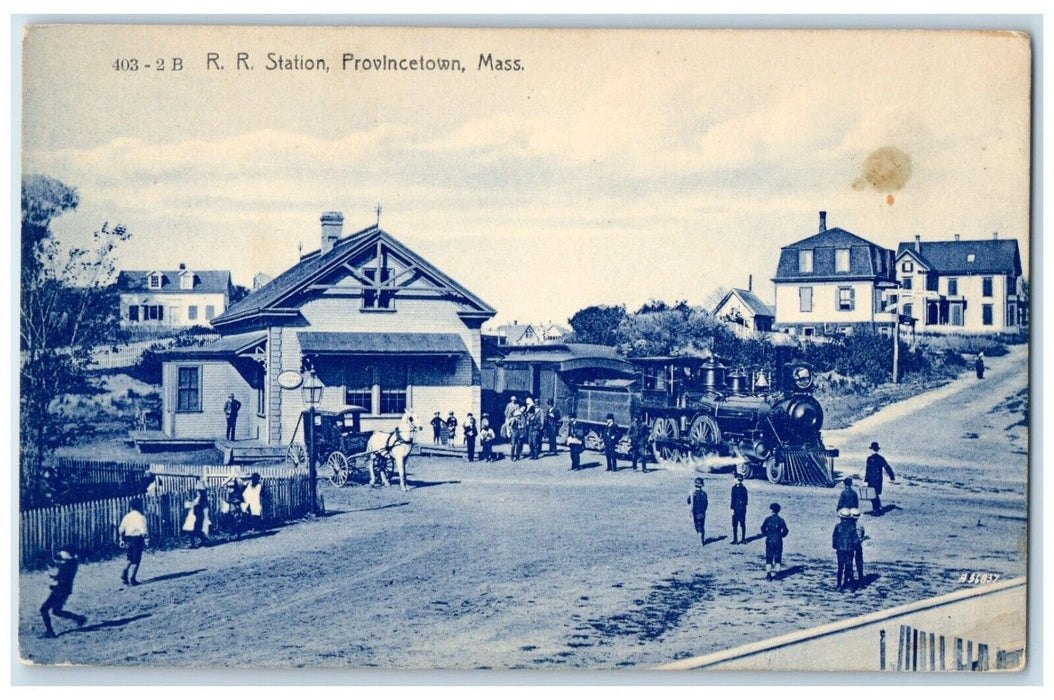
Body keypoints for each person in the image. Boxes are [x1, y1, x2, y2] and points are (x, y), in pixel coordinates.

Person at [40, 548, 87, 637]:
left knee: (44, 609)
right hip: (64, 590)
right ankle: (79, 618)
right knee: (56, 611)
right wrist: (54, 577)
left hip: (59, 590)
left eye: (62, 552)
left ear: (67, 553)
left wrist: (53, 580)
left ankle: (50, 632)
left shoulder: (67, 565)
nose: (61, 553)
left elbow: (62, 578)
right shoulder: (72, 563)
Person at [118, 497, 148, 586]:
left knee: (130, 557)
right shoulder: (141, 517)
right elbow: (144, 531)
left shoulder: (126, 517)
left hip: (128, 538)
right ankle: (132, 578)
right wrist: (146, 540)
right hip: (137, 539)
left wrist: (121, 539)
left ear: (131, 507)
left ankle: (125, 570)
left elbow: (121, 529)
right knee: (136, 559)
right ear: (140, 507)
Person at [865, 441, 896, 515]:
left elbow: (868, 470)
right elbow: (887, 467)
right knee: (875, 495)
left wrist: (866, 480)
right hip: (878, 480)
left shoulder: (869, 458)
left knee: (872, 495)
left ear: (872, 449)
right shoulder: (880, 458)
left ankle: (877, 510)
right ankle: (878, 509)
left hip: (871, 480)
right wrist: (892, 477)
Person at [833, 508, 860, 591]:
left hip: (840, 549)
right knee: (849, 567)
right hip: (849, 550)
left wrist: (835, 546)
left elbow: (834, 538)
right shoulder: (852, 527)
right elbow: (855, 539)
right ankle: (851, 586)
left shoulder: (838, 526)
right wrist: (855, 547)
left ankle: (838, 585)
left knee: (840, 567)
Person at [761, 503, 789, 581]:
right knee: (778, 557)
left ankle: (768, 574)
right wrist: (781, 535)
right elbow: (786, 531)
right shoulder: (781, 520)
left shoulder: (768, 519)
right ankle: (777, 574)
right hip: (778, 540)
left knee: (769, 557)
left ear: (771, 510)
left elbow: (763, 528)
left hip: (769, 540)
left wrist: (767, 534)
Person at [183, 480, 211, 548]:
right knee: (198, 529)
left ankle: (194, 544)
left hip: (196, 516)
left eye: (199, 491)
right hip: (198, 515)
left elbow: (193, 504)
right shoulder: (202, 498)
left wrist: (188, 503)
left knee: (193, 530)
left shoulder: (200, 498)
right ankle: (202, 541)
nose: (197, 492)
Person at [688, 477, 709, 545]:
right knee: (702, 525)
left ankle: (700, 541)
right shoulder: (704, 493)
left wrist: (690, 495)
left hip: (696, 512)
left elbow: (689, 502)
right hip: (702, 512)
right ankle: (702, 539)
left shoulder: (693, 494)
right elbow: (706, 503)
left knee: (697, 526)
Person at [730, 474, 748, 544]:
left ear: (737, 479)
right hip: (739, 508)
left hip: (740, 509)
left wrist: (733, 508)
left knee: (740, 524)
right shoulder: (737, 488)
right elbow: (733, 499)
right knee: (737, 524)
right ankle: (737, 539)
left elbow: (745, 500)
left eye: (735, 478)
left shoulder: (740, 489)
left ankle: (740, 539)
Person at [850, 507, 866, 581]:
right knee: (859, 562)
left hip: (850, 546)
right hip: (859, 546)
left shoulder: (849, 526)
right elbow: (862, 536)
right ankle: (861, 578)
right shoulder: (860, 526)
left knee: (849, 563)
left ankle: (851, 578)